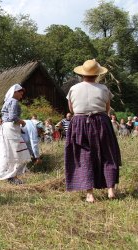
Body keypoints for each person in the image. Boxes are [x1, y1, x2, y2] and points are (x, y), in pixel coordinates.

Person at [65, 59, 121, 202]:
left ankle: (90, 194)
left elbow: (71, 109)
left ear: (82, 74)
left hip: (79, 123)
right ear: (97, 75)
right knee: (108, 154)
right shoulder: (103, 89)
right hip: (101, 122)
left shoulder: (73, 89)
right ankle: (111, 190)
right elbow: (107, 109)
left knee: (84, 156)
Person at [0, 84, 31, 184]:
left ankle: (10, 175)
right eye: (20, 93)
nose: (21, 96)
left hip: (8, 128)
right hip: (11, 128)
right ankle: (12, 177)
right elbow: (12, 117)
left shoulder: (7, 101)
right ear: (14, 92)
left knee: (10, 151)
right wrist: (22, 122)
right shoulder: (14, 101)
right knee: (15, 152)